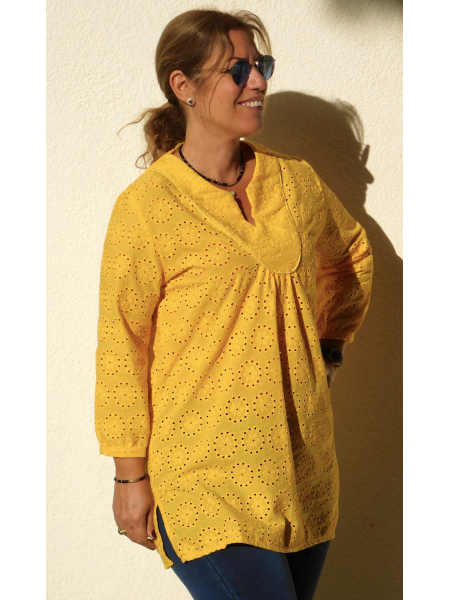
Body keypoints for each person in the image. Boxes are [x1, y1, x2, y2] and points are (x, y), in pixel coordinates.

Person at [94, 8, 373, 600]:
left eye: (261, 64)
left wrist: (329, 347)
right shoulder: (146, 208)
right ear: (184, 85)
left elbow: (350, 254)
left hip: (301, 468)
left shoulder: (293, 181)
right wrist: (129, 477)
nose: (259, 81)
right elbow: (122, 348)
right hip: (203, 480)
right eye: (238, 69)